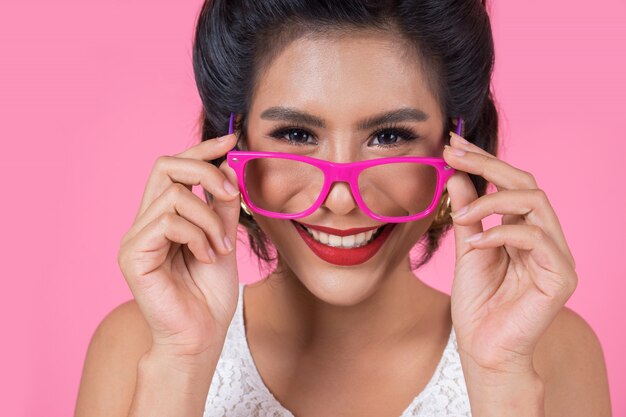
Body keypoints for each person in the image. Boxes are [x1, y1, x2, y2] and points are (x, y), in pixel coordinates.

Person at [75, 1, 612, 416]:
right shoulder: (142, 344)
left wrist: (501, 380)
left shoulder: (547, 350)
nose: (340, 197)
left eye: (389, 135)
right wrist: (179, 365)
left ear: (458, 150)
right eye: (296, 133)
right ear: (230, 148)